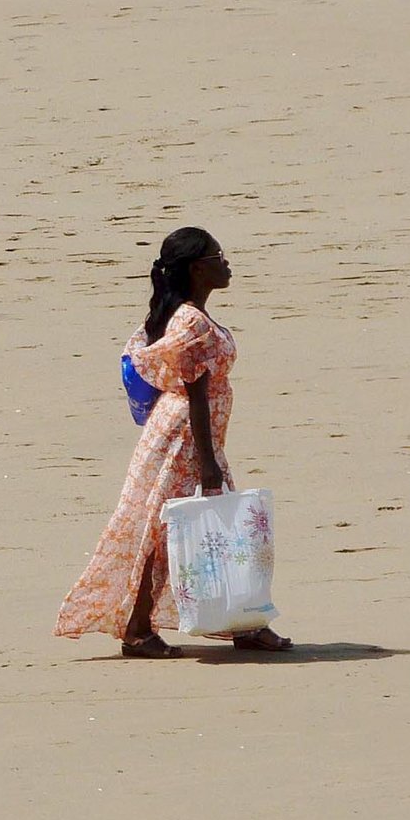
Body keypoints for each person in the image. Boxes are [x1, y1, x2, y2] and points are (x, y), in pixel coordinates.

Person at [55, 228, 293, 657]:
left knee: (196, 525)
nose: (227, 264)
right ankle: (142, 629)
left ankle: (241, 624)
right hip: (184, 436)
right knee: (171, 528)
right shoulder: (189, 320)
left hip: (190, 434)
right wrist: (207, 460)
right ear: (199, 268)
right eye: (219, 257)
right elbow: (196, 390)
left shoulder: (188, 315)